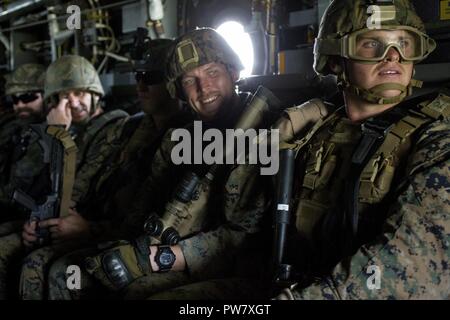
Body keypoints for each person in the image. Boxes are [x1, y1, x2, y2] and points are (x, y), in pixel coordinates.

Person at [49, 28, 275, 300]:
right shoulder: (178, 140)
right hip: (166, 248)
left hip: (232, 263)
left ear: (234, 73)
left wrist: (159, 258)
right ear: (179, 90)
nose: (204, 89)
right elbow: (140, 211)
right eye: (191, 80)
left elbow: (244, 237)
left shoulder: (263, 137)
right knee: (69, 272)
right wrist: (109, 240)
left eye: (212, 73)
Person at [270, 0, 449, 299]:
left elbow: (414, 267)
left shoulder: (436, 139)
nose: (393, 56)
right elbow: (250, 232)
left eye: (404, 43)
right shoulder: (317, 130)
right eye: (372, 44)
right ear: (336, 60)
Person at [0, 55, 129, 299]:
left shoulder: (115, 129)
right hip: (63, 221)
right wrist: (36, 221)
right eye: (64, 96)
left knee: (35, 263)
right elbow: (44, 186)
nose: (72, 102)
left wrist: (57, 134)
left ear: (95, 94)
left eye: (79, 93)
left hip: (93, 223)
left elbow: (73, 190)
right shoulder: (76, 132)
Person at [0, 64, 46, 222]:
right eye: (15, 99)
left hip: (28, 218)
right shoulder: (13, 128)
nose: (20, 105)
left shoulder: (54, 135)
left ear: (47, 96)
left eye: (27, 97)